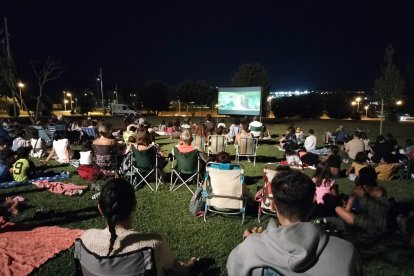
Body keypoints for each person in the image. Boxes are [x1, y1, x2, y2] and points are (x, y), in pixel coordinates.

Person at [227, 170, 361, 276]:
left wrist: (249, 242)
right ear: (312, 207)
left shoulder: (250, 248)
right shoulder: (347, 253)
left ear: (273, 206)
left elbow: (234, 268)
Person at [78, 178, 196, 275]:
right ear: (134, 206)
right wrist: (190, 265)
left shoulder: (85, 239)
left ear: (100, 209)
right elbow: (177, 269)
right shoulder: (154, 245)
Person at [335, 167, 389, 238]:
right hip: (382, 223)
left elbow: (348, 209)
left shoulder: (358, 189)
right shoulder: (382, 190)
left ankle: (350, 230)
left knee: (338, 208)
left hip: (367, 224)